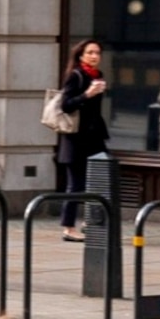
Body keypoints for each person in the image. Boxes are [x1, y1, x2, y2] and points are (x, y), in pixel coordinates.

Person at [53, 36, 110, 240]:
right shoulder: (76, 76)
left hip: (94, 137)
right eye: (90, 53)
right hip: (76, 139)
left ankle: (89, 221)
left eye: (97, 53)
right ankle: (68, 229)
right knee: (75, 184)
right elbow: (66, 105)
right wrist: (87, 94)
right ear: (81, 56)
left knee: (101, 177)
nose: (95, 56)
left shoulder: (98, 75)